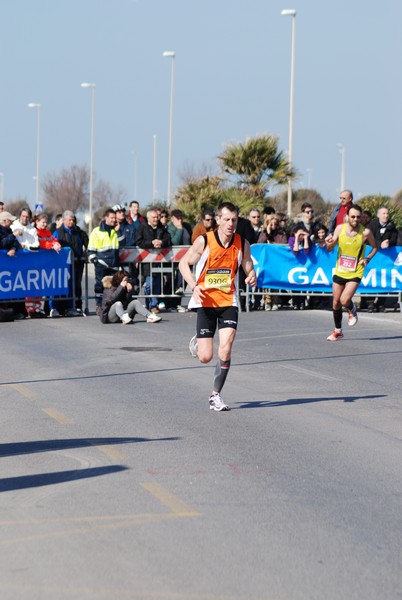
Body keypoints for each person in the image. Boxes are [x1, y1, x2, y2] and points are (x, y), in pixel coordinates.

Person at [179, 201, 256, 412]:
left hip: (228, 301)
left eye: (234, 220)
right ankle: (198, 340)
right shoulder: (204, 241)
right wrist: (194, 285)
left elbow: (248, 266)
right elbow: (183, 264)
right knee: (205, 357)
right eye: (227, 220)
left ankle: (215, 395)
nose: (231, 224)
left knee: (226, 347)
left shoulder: (242, 243)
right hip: (205, 301)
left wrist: (252, 276)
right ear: (218, 220)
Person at [324, 204, 378, 341]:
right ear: (347, 216)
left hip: (355, 271)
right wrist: (328, 243)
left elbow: (375, 247)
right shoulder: (340, 229)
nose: (355, 219)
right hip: (340, 269)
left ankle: (352, 308)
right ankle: (338, 331)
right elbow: (330, 248)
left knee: (344, 300)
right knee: (335, 303)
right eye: (352, 216)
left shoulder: (365, 232)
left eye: (358, 217)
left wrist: (367, 259)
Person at [136, 208, 171, 313]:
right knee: (149, 283)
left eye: (157, 217)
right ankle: (149, 304)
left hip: (159, 261)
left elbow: (168, 239)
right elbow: (138, 241)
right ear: (148, 218)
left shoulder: (161, 227)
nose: (156, 219)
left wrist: (161, 242)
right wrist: (151, 243)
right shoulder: (142, 227)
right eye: (154, 217)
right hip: (147, 262)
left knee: (157, 283)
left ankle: (153, 305)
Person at [53, 210, 88, 315]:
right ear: (63, 220)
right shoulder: (58, 232)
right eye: (69, 220)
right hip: (62, 265)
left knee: (75, 285)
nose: (71, 222)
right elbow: (53, 244)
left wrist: (85, 255)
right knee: (62, 285)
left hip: (76, 263)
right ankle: (58, 308)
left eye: (73, 220)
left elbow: (86, 244)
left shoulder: (78, 232)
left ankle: (74, 307)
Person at [87, 208, 120, 314]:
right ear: (106, 218)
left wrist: (119, 231)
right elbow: (91, 249)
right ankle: (99, 305)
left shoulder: (116, 231)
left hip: (113, 264)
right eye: (112, 218)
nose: (114, 220)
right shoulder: (97, 231)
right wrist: (96, 261)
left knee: (114, 287)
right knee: (100, 286)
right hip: (101, 264)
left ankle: (111, 306)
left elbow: (123, 243)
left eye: (115, 218)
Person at [367, 206, 398, 312]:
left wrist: (389, 242)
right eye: (384, 213)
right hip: (373, 257)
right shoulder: (372, 225)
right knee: (371, 280)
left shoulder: (391, 226)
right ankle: (370, 303)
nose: (386, 215)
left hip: (385, 260)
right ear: (378, 215)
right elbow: (366, 239)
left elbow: (395, 239)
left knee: (384, 280)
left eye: (387, 213)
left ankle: (381, 303)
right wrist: (379, 244)